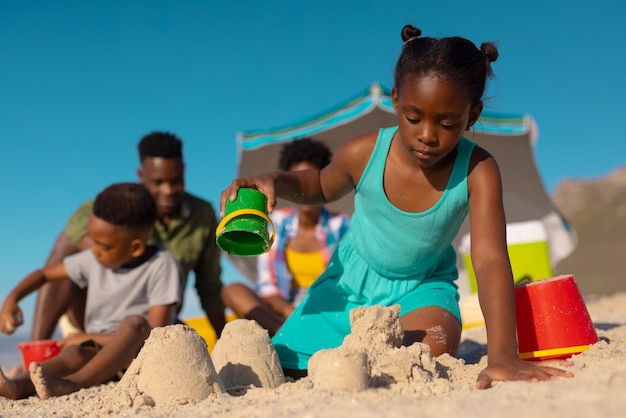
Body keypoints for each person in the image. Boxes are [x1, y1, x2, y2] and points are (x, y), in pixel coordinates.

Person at [220, 25, 573, 389]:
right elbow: (320, 185)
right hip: (348, 285)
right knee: (285, 362)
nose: (427, 135)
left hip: (422, 287)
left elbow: (489, 258)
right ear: (395, 100)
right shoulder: (363, 152)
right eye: (413, 117)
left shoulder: (478, 170)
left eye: (447, 123)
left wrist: (502, 355)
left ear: (472, 116)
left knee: (434, 345)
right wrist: (275, 180)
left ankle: (366, 352)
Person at [31, 132, 226, 342]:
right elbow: (78, 241)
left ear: (184, 171)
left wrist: (223, 339)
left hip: (154, 324)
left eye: (175, 181)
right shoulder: (112, 208)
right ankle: (36, 348)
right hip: (97, 323)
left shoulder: (203, 214)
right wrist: (110, 250)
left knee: (189, 347)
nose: (168, 190)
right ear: (141, 176)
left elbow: (209, 284)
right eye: (158, 182)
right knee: (65, 246)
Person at [0, 183, 182, 399]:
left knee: (134, 323)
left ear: (135, 248)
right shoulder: (96, 259)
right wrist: (12, 299)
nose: (94, 250)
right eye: (93, 241)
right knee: (75, 352)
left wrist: (83, 336)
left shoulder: (162, 265)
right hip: (96, 354)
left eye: (103, 246)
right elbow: (45, 275)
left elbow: (153, 334)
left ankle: (73, 384)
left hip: (138, 354)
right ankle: (18, 386)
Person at [220, 138, 350, 335]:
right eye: (298, 181)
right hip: (283, 313)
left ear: (322, 183)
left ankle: (299, 338)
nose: (304, 190)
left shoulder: (342, 225)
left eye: (310, 181)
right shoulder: (277, 222)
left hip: (327, 311)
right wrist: (292, 314)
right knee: (233, 290)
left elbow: (346, 285)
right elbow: (268, 287)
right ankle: (290, 335)